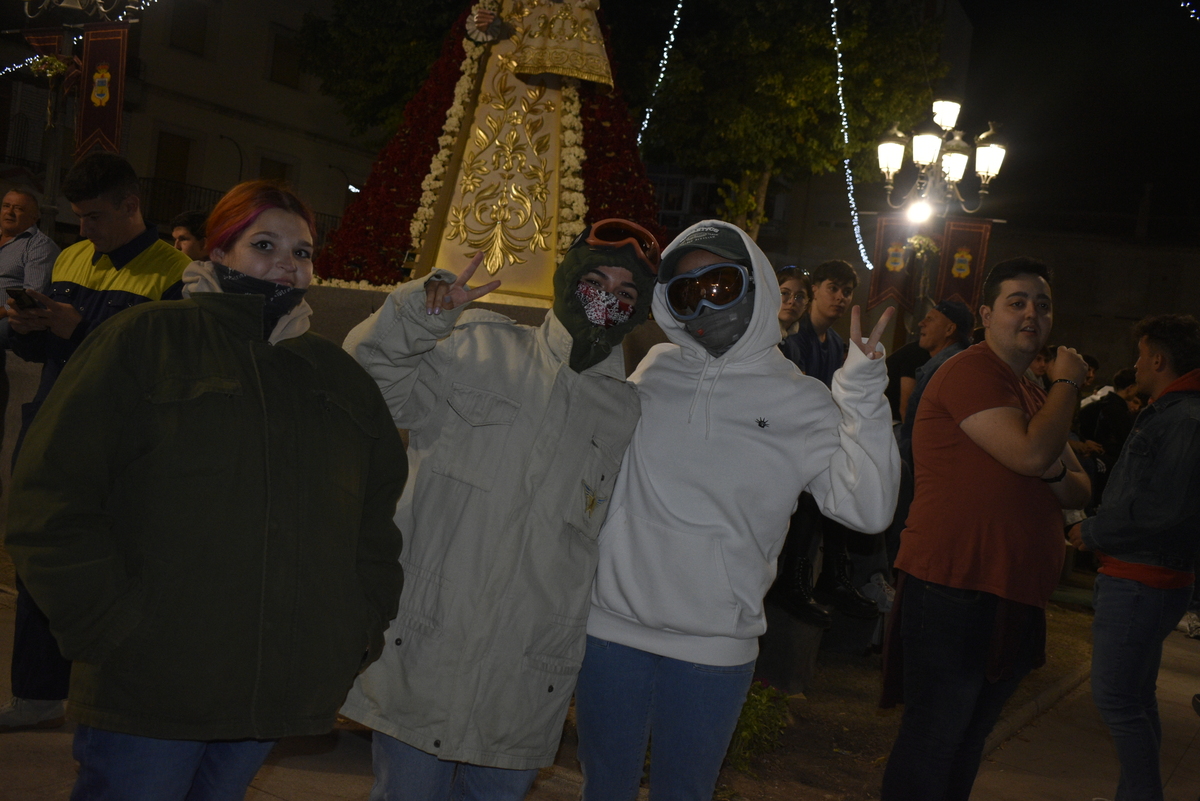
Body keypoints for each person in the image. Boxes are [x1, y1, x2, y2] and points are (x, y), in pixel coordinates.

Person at [5, 180, 407, 798]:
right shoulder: (146, 339)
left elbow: (374, 526)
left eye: (301, 252)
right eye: (264, 243)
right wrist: (107, 627)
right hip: (149, 684)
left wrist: (356, 628)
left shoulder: (336, 379)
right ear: (218, 254)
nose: (287, 262)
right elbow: (51, 495)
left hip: (269, 692)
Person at [574, 220, 900, 800]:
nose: (704, 301)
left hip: (713, 648)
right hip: (611, 632)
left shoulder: (802, 399)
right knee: (602, 791)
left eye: (721, 283)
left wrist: (864, 392)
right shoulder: (655, 369)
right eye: (685, 291)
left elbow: (868, 509)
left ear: (756, 284)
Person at [339, 218, 660, 800]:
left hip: (525, 671)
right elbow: (369, 386)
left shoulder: (627, 412)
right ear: (566, 280)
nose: (607, 299)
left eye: (626, 294)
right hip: (428, 650)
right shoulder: (476, 346)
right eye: (596, 280)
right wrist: (418, 316)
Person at [881, 257, 1092, 801]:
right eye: (1016, 302)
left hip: (1011, 590)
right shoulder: (973, 370)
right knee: (936, 738)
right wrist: (1067, 381)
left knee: (968, 739)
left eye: (1042, 305)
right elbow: (1030, 454)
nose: (1031, 314)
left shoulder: (1030, 393)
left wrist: (1047, 460)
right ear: (985, 314)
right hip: (957, 583)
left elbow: (1080, 489)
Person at [1, 153, 189, 734]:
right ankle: (36, 694)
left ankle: (117, 702)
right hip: (54, 427)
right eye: (78, 217)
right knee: (38, 556)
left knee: (116, 572)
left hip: (120, 448)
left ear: (132, 206)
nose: (83, 230)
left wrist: (75, 329)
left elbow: (157, 372)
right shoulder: (74, 258)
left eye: (95, 217)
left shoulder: (174, 274)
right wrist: (28, 329)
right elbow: (49, 353)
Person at [1068, 314, 1200, 801]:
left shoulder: (1183, 417)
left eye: (1142, 355)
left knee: (1117, 699)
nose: (1137, 364)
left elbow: (1162, 507)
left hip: (1143, 577)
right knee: (1136, 699)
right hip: (1149, 574)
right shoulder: (1175, 411)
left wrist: (1094, 529)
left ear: (1159, 360)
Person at [773, 259, 882, 622]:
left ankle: (836, 573)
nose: (839, 297)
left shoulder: (836, 343)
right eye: (832, 288)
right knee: (819, 485)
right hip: (792, 439)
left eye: (846, 291)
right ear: (815, 291)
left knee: (853, 474)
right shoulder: (794, 336)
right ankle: (796, 580)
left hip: (820, 438)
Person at [0, 188, 59, 481]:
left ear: (35, 216)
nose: (10, 212)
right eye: (6, 205)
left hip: (10, 318)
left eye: (19, 209)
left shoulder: (38, 245)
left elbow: (29, 295)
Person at [897, 300, 974, 466]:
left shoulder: (946, 369)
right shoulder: (952, 363)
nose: (920, 323)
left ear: (949, 329)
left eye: (930, 319)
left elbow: (924, 431)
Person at [775, 266, 809, 339]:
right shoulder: (759, 333)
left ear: (806, 303)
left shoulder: (801, 339)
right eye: (784, 293)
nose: (792, 301)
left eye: (800, 297)